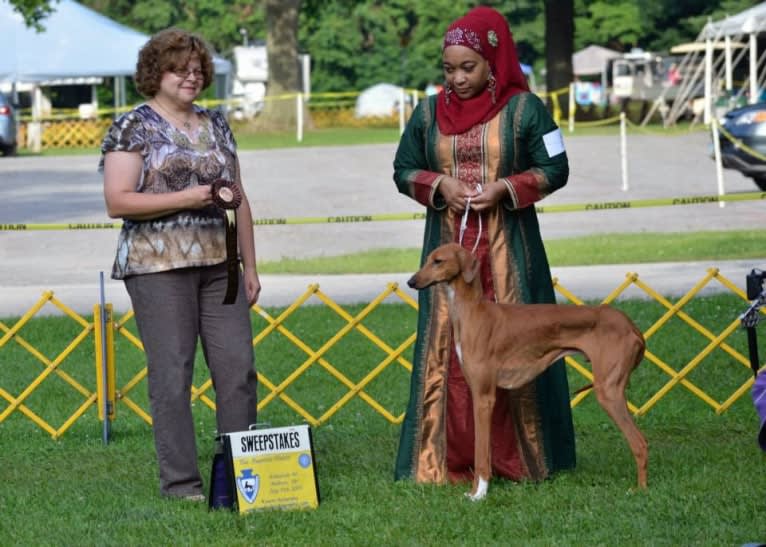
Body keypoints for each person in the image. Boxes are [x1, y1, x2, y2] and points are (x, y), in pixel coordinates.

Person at [393, 6, 576, 486]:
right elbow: (403, 168)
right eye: (448, 68)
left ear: (494, 61)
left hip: (511, 250)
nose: (456, 78)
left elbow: (557, 168)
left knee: (524, 346)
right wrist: (437, 184)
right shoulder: (426, 112)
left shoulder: (528, 109)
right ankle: (443, 462)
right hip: (447, 251)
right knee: (446, 351)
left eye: (467, 67)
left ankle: (524, 459)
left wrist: (505, 189)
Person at [99, 28, 260, 501]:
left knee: (238, 370)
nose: (191, 77)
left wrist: (249, 265)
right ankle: (182, 484)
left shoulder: (218, 123)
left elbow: (239, 198)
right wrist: (189, 196)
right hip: (156, 267)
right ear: (156, 72)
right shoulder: (133, 126)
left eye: (197, 69)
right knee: (172, 374)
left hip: (221, 265)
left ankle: (237, 476)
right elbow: (117, 201)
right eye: (180, 69)